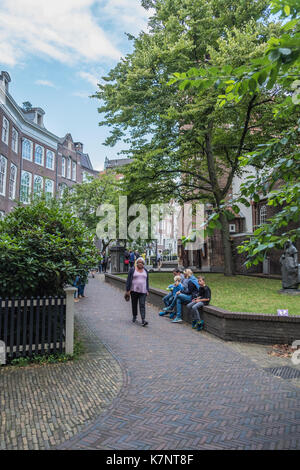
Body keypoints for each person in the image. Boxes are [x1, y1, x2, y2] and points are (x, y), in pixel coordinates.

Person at [125, 257, 149, 326]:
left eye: (142, 262)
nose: (140, 263)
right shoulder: (132, 270)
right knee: (134, 304)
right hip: (134, 290)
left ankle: (143, 320)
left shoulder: (145, 271)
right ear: (137, 263)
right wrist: (128, 290)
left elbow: (147, 281)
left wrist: (147, 289)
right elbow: (128, 280)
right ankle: (134, 316)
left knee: (142, 304)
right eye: (139, 262)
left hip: (143, 291)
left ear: (143, 264)